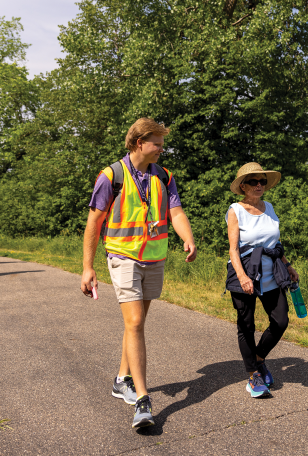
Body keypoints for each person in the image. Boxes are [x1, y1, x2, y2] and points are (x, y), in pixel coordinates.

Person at [80, 118, 197, 429]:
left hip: (154, 258)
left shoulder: (164, 175)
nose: (161, 148)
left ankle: (121, 379)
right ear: (137, 144)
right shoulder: (111, 176)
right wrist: (87, 267)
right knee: (134, 322)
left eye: (162, 143)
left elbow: (175, 211)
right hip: (123, 256)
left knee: (137, 323)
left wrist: (187, 236)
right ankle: (143, 400)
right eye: (156, 143)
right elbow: (94, 223)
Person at [224, 162, 299, 398]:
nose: (259, 185)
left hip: (273, 272)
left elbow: (274, 243)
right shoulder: (235, 210)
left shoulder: (270, 207)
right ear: (243, 186)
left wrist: (288, 265)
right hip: (246, 270)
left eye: (262, 181)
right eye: (254, 182)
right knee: (247, 325)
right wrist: (243, 277)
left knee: (281, 321)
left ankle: (258, 359)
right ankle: (252, 376)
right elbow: (233, 249)